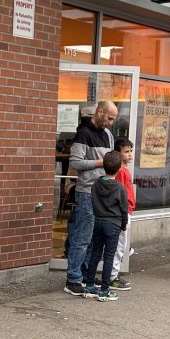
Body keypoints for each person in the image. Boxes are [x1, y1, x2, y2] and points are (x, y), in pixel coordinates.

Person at [64, 100, 118, 296]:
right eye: (109, 118)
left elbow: (109, 161)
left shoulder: (108, 135)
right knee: (82, 237)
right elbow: (75, 163)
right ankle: (73, 278)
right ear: (100, 112)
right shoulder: (83, 133)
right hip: (87, 191)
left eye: (113, 119)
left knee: (93, 239)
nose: (111, 122)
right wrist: (100, 162)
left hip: (102, 191)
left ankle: (86, 275)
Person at [81, 151, 129, 301]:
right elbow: (124, 209)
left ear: (104, 166)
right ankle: (104, 291)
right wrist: (123, 225)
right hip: (113, 224)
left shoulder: (96, 184)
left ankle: (89, 286)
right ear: (119, 168)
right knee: (109, 257)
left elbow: (93, 201)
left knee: (95, 253)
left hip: (98, 221)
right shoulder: (119, 188)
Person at [108, 137, 135, 291]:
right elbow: (121, 194)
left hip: (126, 212)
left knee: (121, 246)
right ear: (118, 154)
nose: (130, 154)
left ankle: (113, 275)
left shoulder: (124, 170)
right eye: (126, 152)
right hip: (122, 214)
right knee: (118, 247)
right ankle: (112, 277)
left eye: (131, 151)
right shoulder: (121, 172)